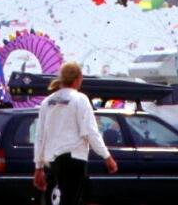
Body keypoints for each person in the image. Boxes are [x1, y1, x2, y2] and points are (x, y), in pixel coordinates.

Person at [33, 62, 116, 205]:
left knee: (62, 200)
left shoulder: (48, 102)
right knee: (72, 199)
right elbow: (90, 131)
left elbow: (40, 136)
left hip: (54, 159)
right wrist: (107, 156)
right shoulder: (80, 99)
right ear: (78, 78)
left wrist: (38, 167)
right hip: (74, 157)